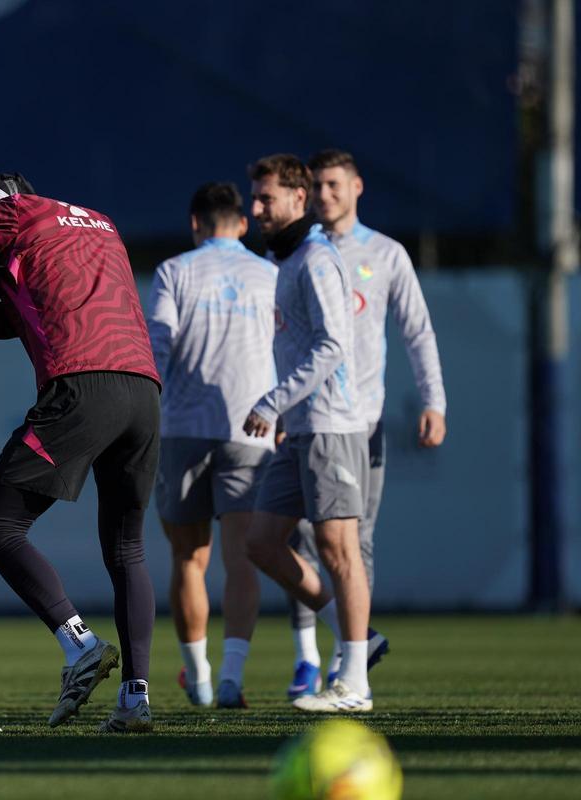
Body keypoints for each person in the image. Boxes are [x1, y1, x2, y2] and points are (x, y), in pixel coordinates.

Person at [0, 173, 162, 733]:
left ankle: (80, 643)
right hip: (144, 390)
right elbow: (34, 300)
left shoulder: (8, 214)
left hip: (82, 387)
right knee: (127, 549)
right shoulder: (99, 221)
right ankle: (135, 698)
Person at [281, 150, 447, 696]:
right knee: (294, 537)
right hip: (308, 415)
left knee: (354, 541)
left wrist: (434, 401)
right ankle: (313, 654)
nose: (325, 194)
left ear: (357, 187)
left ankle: (346, 662)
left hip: (360, 420)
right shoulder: (301, 252)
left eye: (334, 184)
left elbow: (416, 331)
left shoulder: (383, 253)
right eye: (318, 185)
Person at [239, 153, 375, 712]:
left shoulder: (317, 258)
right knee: (262, 544)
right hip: (300, 430)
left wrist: (274, 402)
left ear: (299, 199)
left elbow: (333, 345)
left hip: (332, 425)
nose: (256, 209)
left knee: (339, 550)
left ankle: (355, 682)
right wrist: (286, 417)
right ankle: (362, 642)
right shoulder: (290, 262)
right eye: (255, 197)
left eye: (266, 198)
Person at [145, 182, 278, 709]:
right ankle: (231, 681)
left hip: (184, 428)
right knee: (243, 558)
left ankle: (198, 678)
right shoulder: (270, 274)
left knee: (187, 558)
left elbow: (157, 345)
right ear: (242, 224)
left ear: (194, 222)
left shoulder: (175, 271)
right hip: (253, 428)